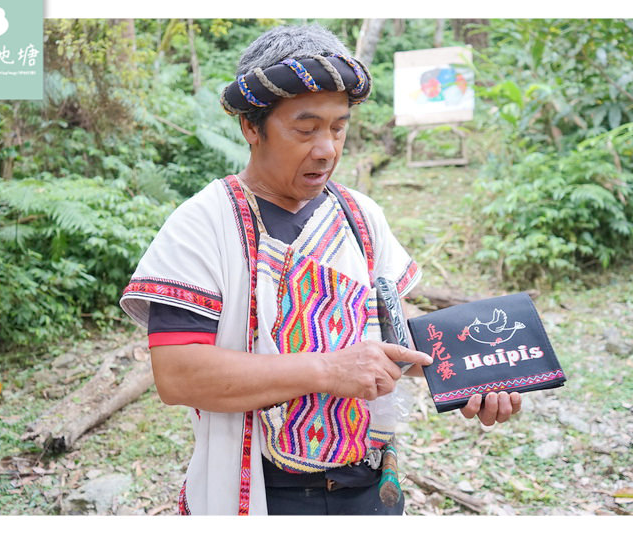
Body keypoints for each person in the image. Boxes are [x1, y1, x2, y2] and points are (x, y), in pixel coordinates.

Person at [120, 23, 522, 516]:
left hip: (371, 486)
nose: (327, 148)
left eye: (338, 126)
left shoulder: (360, 217)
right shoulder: (204, 224)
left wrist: (468, 375)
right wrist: (327, 370)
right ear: (252, 127)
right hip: (265, 494)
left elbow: (397, 332)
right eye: (306, 129)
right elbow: (177, 375)